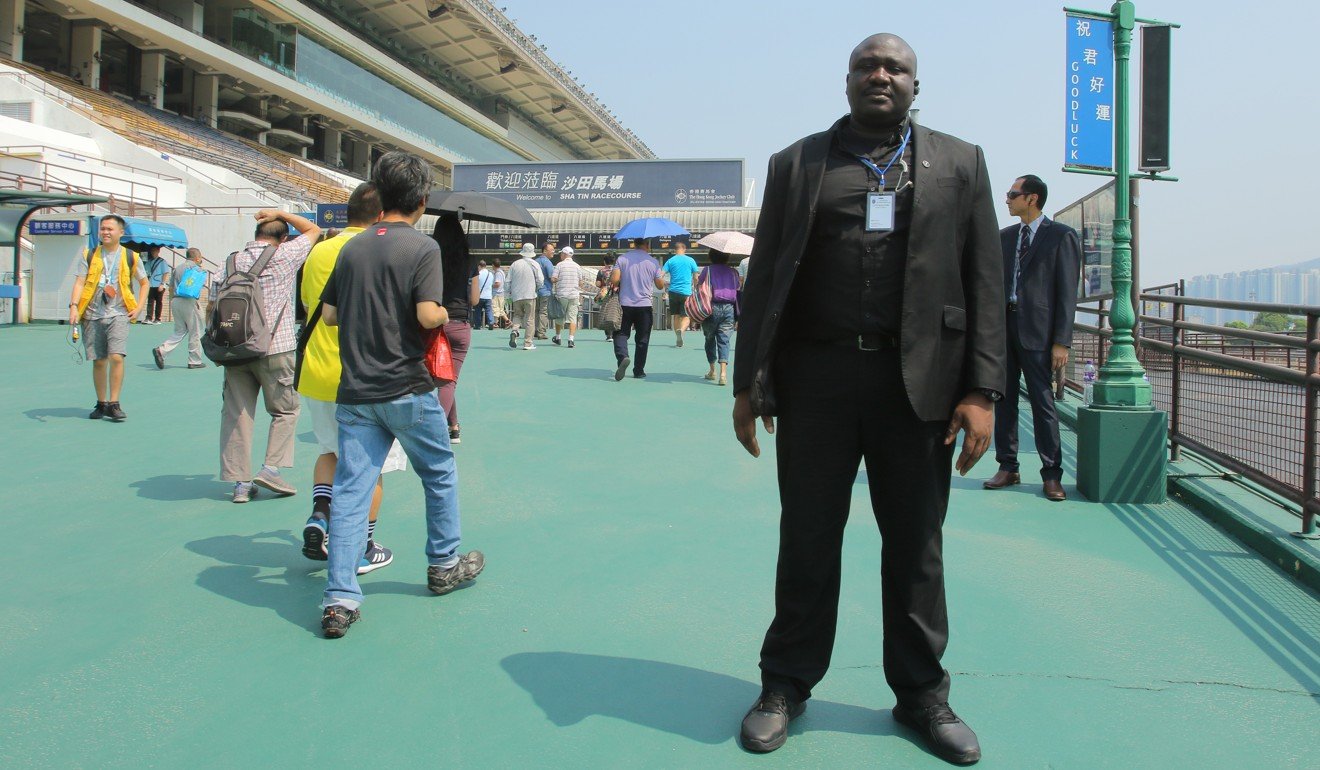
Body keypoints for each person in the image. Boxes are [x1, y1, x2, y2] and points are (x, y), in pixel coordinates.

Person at [731, 34, 1004, 763]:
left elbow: (983, 280)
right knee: (809, 536)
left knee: (916, 545)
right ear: (847, 80)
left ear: (917, 84)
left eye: (895, 68)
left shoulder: (960, 162)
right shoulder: (799, 163)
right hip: (816, 380)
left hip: (917, 385)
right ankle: (785, 684)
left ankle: (921, 695)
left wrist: (981, 388)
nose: (880, 75)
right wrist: (746, 385)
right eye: (865, 66)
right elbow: (765, 277)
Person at [317, 150, 484, 639]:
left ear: (379, 193)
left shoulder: (350, 247)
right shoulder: (423, 248)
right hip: (407, 385)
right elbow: (430, 313)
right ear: (423, 200)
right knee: (438, 473)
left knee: (351, 491)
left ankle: (340, 599)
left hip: (356, 389)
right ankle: (443, 564)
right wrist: (430, 315)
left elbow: (328, 316)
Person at [296, 182, 397, 575]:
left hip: (318, 369)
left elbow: (310, 306)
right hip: (365, 375)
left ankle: (321, 513)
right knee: (371, 467)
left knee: (329, 452)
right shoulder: (378, 248)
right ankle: (363, 545)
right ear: (380, 215)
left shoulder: (320, 249)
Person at [984, 175, 1081, 502]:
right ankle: (1007, 466)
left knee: (1043, 404)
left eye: (1013, 194)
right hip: (1004, 329)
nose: (1007, 200)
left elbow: (1067, 293)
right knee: (1004, 400)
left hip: (1040, 334)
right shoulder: (1005, 237)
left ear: (1032, 198)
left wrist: (1061, 340)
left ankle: (1052, 474)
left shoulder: (1061, 237)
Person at [219, 208, 320, 503]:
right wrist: (282, 213)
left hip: (235, 348)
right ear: (283, 237)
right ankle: (271, 468)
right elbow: (313, 230)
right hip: (276, 347)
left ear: (255, 235)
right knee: (285, 410)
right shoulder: (284, 255)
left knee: (237, 415)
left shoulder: (232, 260)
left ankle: (240, 483)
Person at [68, 214, 149, 421]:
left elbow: (144, 283)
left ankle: (115, 403)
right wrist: (74, 307)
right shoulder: (90, 254)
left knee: (116, 356)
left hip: (119, 314)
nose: (105, 232)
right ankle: (101, 403)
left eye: (109, 229)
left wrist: (139, 308)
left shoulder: (131, 256)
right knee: (99, 361)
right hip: (92, 314)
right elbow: (79, 282)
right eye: (102, 228)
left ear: (120, 233)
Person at [432, 213, 479, 444]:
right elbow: (475, 299)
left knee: (442, 379)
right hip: (460, 325)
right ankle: (448, 427)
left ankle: (446, 426)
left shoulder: (431, 257)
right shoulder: (469, 261)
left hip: (434, 323)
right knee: (449, 380)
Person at [610, 238, 664, 381]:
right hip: (644, 305)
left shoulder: (622, 259)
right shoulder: (653, 262)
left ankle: (623, 357)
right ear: (647, 245)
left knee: (621, 334)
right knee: (642, 339)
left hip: (625, 304)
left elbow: (614, 280)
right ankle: (639, 370)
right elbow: (660, 285)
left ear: (633, 244)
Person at [153, 247, 208, 369]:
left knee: (180, 330)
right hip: (190, 301)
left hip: (176, 301)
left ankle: (162, 350)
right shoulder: (197, 269)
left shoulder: (177, 268)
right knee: (195, 331)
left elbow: (171, 287)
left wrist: (172, 300)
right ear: (197, 258)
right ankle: (194, 361)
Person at [698, 249, 740, 386]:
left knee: (709, 338)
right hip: (729, 308)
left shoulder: (707, 270)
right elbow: (738, 289)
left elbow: (699, 285)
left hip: (711, 307)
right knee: (724, 340)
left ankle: (712, 370)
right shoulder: (734, 273)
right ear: (727, 257)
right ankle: (723, 373)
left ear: (711, 257)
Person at [661, 240, 700, 347]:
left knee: (676, 316)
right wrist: (695, 287)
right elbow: (696, 277)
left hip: (673, 291)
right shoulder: (691, 260)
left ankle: (678, 337)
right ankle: (681, 331)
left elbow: (661, 275)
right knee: (686, 316)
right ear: (684, 249)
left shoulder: (670, 261)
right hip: (686, 291)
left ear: (675, 250)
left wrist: (665, 285)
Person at [506, 243, 541, 350]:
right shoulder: (535, 264)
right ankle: (528, 343)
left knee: (517, 315)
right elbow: (540, 280)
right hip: (530, 294)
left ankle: (515, 331)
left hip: (517, 295)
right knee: (530, 318)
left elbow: (508, 281)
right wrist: (537, 288)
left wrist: (508, 294)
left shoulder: (515, 264)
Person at [551, 246, 584, 347]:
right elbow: (581, 283)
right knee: (572, 318)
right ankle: (571, 340)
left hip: (562, 294)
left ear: (565, 254)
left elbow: (553, 279)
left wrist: (559, 280)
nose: (560, 255)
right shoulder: (577, 266)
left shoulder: (559, 265)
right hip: (574, 295)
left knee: (559, 317)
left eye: (561, 253)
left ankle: (558, 337)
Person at [535, 242, 555, 340]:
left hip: (535, 291)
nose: (553, 252)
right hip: (545, 291)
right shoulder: (547, 262)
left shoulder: (535, 261)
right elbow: (552, 277)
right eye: (551, 250)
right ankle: (541, 332)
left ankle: (534, 330)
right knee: (543, 312)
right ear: (545, 251)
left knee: (535, 311)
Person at [143, 246, 169, 324]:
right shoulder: (149, 261)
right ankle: (149, 318)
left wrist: (162, 284)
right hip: (150, 284)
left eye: (154, 251)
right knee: (150, 301)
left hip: (159, 284)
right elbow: (145, 271)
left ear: (158, 251)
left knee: (159, 302)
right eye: (152, 251)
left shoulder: (162, 261)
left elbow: (165, 273)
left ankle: (158, 319)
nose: (153, 252)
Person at [596, 253, 619, 341]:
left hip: (605, 294)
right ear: (614, 261)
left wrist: (603, 284)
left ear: (604, 261)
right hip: (616, 293)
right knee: (615, 313)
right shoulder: (617, 270)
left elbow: (597, 284)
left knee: (605, 313)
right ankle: (615, 333)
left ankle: (608, 335)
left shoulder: (601, 271)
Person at [474, 259, 495, 330]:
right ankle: (491, 322)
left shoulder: (478, 274)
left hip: (479, 296)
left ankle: (477, 325)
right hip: (488, 296)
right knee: (489, 310)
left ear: (479, 266)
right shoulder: (490, 274)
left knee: (478, 311)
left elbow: (475, 285)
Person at [490, 258, 509, 329]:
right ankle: (508, 321)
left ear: (493, 265)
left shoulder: (497, 273)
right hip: (502, 293)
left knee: (495, 308)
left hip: (497, 293)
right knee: (501, 309)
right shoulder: (502, 272)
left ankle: (495, 323)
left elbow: (497, 284)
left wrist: (491, 285)